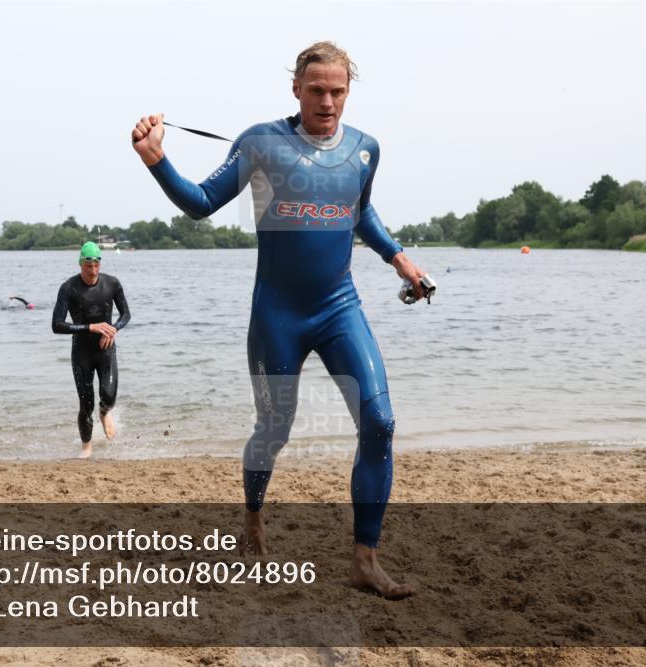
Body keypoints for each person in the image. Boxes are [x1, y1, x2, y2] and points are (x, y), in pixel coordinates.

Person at [132, 41, 429, 599]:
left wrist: (399, 258)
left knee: (381, 423)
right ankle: (252, 519)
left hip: (341, 307)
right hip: (278, 314)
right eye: (316, 90)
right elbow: (200, 202)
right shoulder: (262, 142)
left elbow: (359, 210)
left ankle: (366, 560)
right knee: (275, 429)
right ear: (296, 88)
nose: (327, 101)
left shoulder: (366, 150)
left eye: (338, 91)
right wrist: (156, 159)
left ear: (349, 92)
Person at [52, 242, 131, 459]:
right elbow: (56, 325)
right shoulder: (69, 288)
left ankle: (105, 413)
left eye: (96, 265)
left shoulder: (112, 284)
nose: (93, 271)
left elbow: (126, 315)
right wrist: (90, 327)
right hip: (82, 354)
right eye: (88, 266)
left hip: (106, 350)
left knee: (108, 396)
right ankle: (86, 447)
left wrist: (113, 328)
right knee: (85, 403)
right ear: (80, 264)